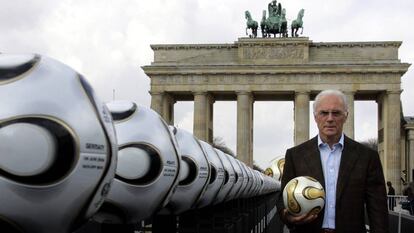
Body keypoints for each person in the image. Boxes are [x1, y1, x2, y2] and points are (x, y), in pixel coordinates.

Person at [277, 89, 388, 233]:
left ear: (346, 116)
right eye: (324, 113)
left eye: (336, 113)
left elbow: (378, 209)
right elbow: (282, 200)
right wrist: (288, 217)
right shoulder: (295, 155)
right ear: (315, 117)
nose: (330, 118)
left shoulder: (367, 157)